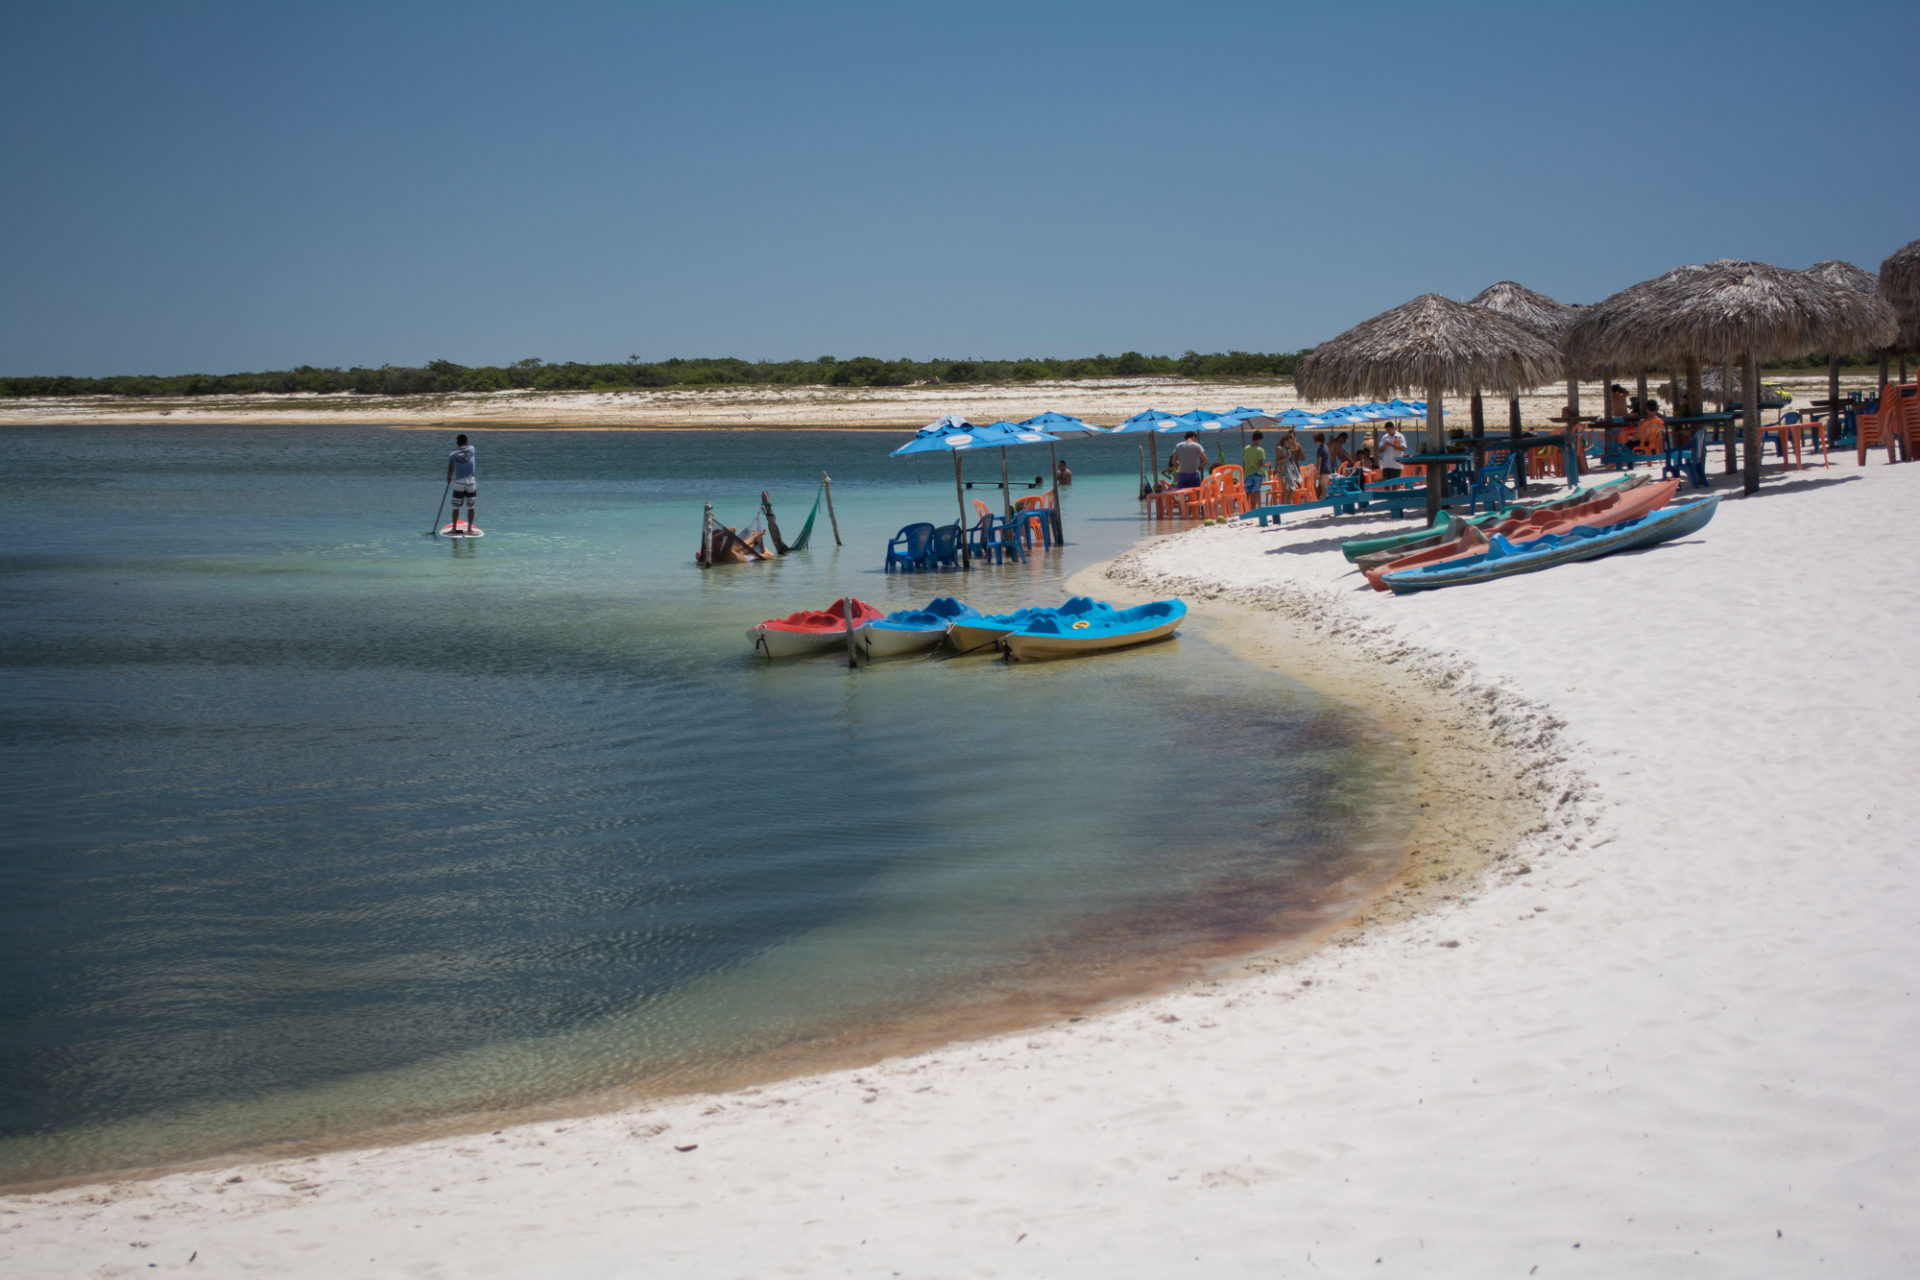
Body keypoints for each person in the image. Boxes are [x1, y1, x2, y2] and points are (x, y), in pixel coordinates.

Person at [445, 433, 477, 532]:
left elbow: (451, 467)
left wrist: (449, 477)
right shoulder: (471, 449)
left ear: (457, 444)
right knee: (471, 507)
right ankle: (469, 529)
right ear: (466, 442)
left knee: (456, 507)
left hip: (459, 482)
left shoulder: (453, 455)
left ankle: (454, 529)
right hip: (470, 482)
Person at [1241, 430, 1267, 505]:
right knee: (1255, 493)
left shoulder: (1246, 448)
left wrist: (1244, 473)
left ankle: (1243, 509)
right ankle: (1253, 510)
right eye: (1261, 440)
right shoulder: (1260, 450)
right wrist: (1266, 465)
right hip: (1257, 474)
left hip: (1248, 473)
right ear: (1259, 439)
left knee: (1247, 493)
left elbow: (1244, 462)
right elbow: (1260, 464)